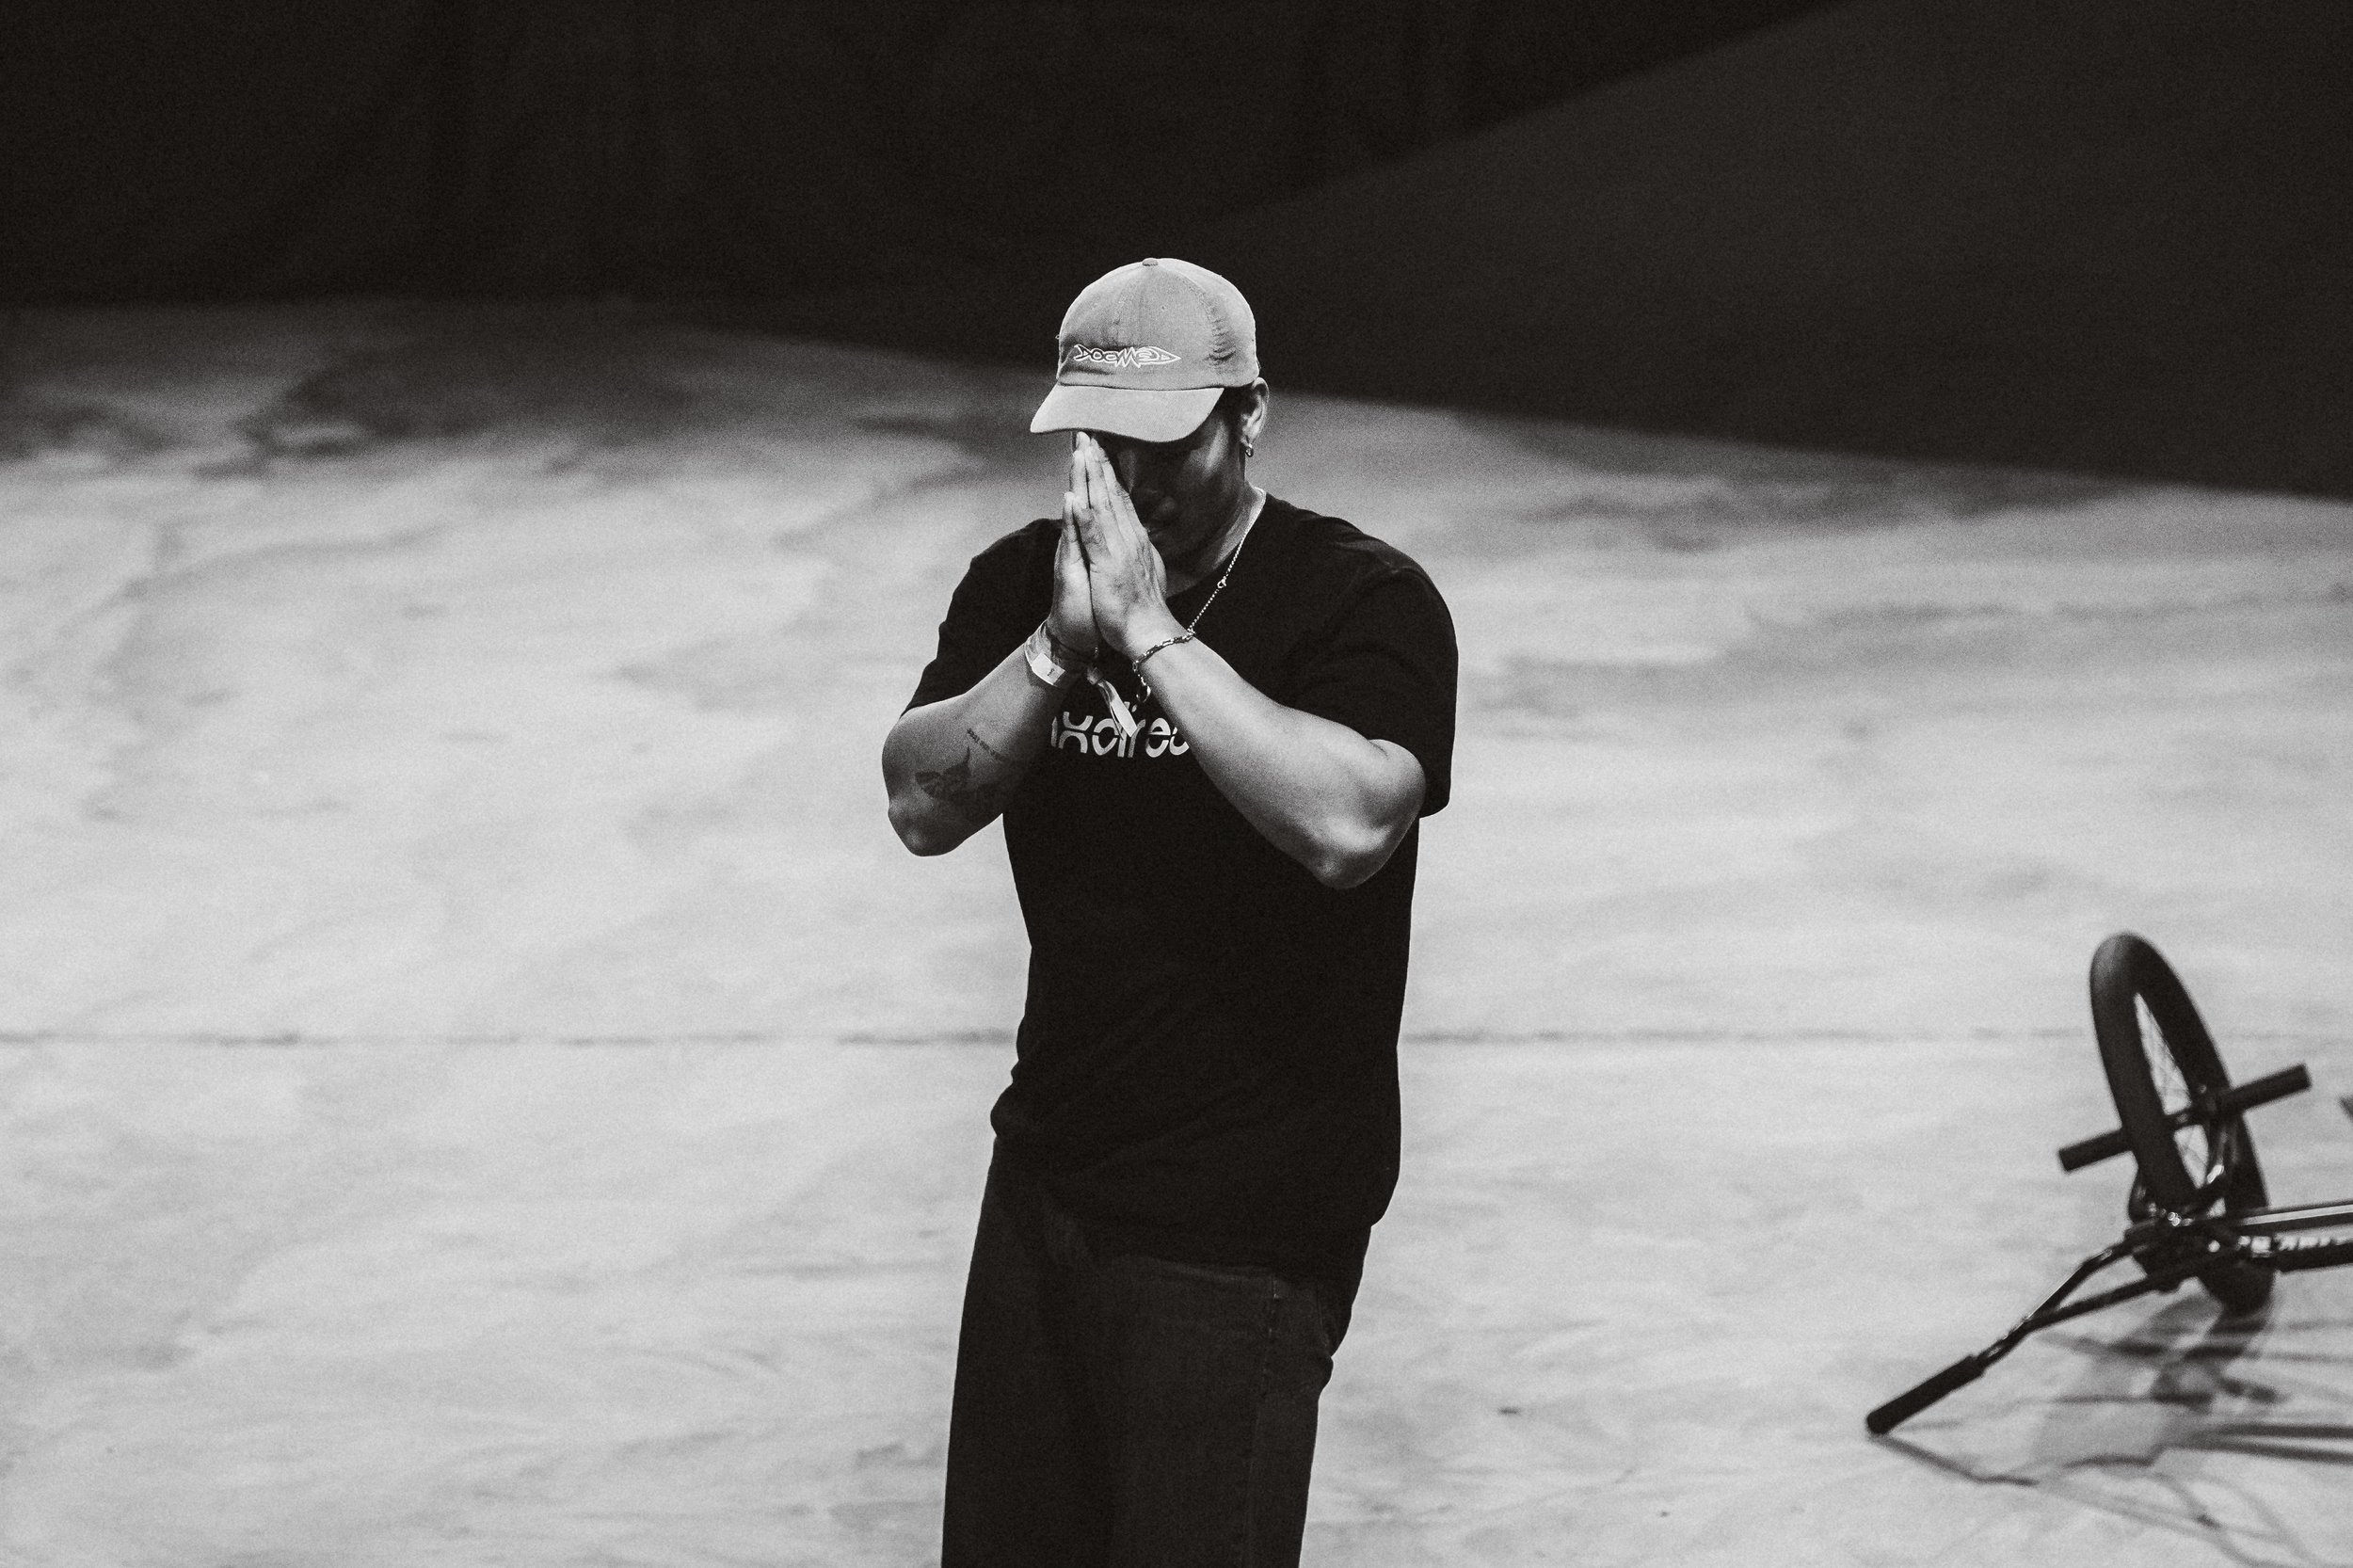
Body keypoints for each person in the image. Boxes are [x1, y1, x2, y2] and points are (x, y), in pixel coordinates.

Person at [882, 257, 1458, 1567]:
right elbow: (920, 801)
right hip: (1046, 1187)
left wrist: (1150, 640)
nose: (1137, 486)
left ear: (1249, 416)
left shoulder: (1360, 600)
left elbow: (1349, 822)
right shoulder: (1027, 585)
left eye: (1170, 444)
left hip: (1241, 1227)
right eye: (1102, 444)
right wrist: (1053, 652)